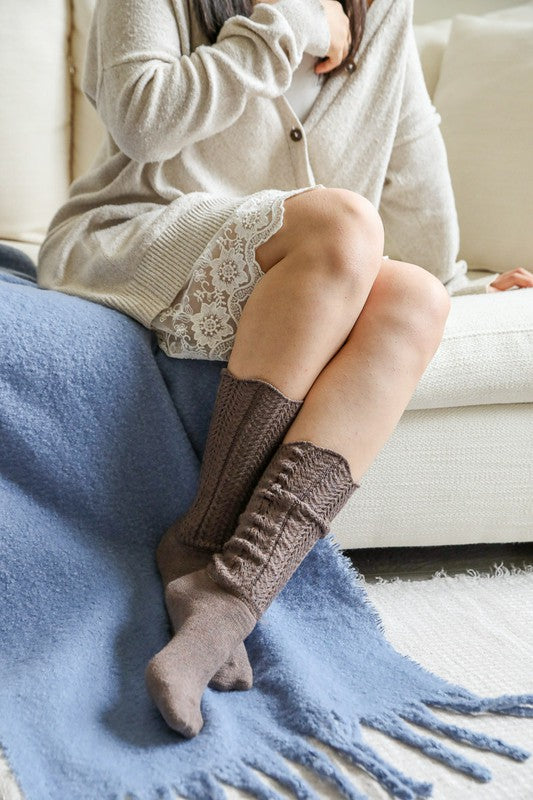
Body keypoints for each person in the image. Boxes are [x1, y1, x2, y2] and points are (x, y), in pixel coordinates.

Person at [36, 0, 533, 738]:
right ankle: (201, 537)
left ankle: (229, 592)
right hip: (141, 237)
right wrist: (287, 24)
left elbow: (407, 154)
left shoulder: (379, 7)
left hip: (307, 270)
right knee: (342, 220)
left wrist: (461, 284)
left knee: (416, 296)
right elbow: (143, 119)